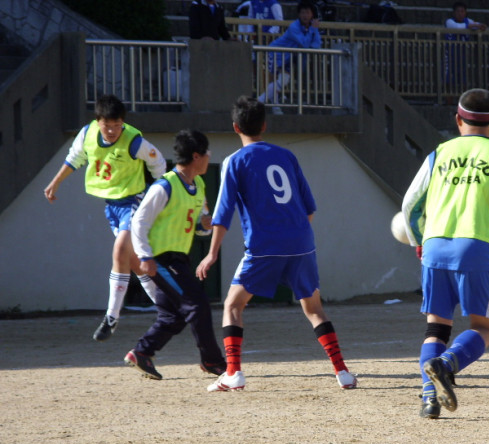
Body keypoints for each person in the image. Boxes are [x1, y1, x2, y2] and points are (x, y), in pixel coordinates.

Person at [195, 96, 357, 392]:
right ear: (264, 125)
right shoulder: (287, 156)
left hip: (264, 246)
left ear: (235, 127)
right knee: (314, 309)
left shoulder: (234, 161)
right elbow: (309, 208)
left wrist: (211, 254)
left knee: (233, 305)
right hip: (301, 242)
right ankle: (343, 372)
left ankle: (233, 373)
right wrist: (293, 236)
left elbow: (223, 214)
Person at [400, 88, 489, 419]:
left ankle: (429, 398)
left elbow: (409, 204)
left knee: (436, 327)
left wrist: (419, 240)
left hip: (435, 244)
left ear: (458, 120)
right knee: (485, 327)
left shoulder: (439, 153)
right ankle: (447, 364)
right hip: (476, 246)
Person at [44, 94, 166, 342]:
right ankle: (167, 305)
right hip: (112, 204)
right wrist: (55, 182)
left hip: (135, 200)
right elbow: (75, 158)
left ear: (123, 122)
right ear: (98, 121)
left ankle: (111, 317)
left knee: (120, 249)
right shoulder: (87, 133)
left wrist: (158, 195)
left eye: (117, 125)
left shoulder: (134, 141)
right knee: (132, 261)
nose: (112, 131)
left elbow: (159, 164)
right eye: (107, 125)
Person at [124, 130, 226, 381]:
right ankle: (212, 361)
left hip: (179, 259)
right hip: (161, 260)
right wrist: (145, 257)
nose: (209, 157)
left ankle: (142, 353)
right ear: (196, 156)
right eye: (207, 152)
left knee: (173, 315)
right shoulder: (165, 186)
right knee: (197, 305)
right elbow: (139, 222)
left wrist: (206, 224)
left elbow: (199, 227)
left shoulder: (199, 185)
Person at [259, 1, 322, 104]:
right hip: (276, 53)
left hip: (288, 57)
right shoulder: (294, 27)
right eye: (302, 13)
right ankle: (260, 102)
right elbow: (304, 44)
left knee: (281, 81)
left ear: (312, 15)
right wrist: (312, 30)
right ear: (299, 14)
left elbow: (316, 44)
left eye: (307, 13)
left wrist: (313, 30)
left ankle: (270, 106)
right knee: (278, 81)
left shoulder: (311, 28)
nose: (305, 16)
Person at [443, 2, 486, 93]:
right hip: (450, 55)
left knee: (463, 79)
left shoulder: (468, 21)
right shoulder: (449, 22)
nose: (460, 14)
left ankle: (463, 99)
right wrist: (473, 26)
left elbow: (478, 25)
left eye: (462, 11)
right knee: (448, 80)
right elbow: (457, 27)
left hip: (463, 55)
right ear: (454, 13)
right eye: (458, 11)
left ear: (465, 12)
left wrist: (480, 26)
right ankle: (448, 99)